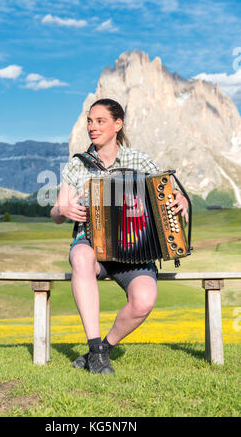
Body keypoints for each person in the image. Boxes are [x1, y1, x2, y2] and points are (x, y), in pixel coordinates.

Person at [50, 98, 188, 375]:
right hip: (91, 244)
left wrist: (182, 199)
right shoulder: (77, 165)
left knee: (144, 300)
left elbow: (170, 192)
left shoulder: (140, 159)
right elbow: (56, 213)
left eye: (100, 121)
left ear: (117, 124)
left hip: (135, 247)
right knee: (81, 256)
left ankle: (101, 350)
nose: (92, 126)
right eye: (90, 121)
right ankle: (95, 346)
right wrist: (62, 208)